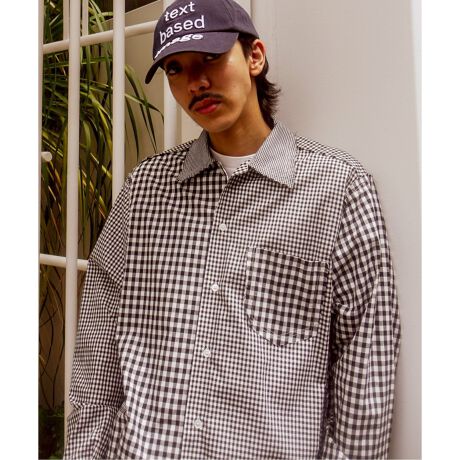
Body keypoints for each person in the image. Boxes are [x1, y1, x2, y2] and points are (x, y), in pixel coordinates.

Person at [64, 0, 401, 458]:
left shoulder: (337, 189)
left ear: (255, 56)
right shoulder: (145, 188)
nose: (195, 82)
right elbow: (97, 348)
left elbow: (366, 362)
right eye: (176, 69)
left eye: (211, 58)